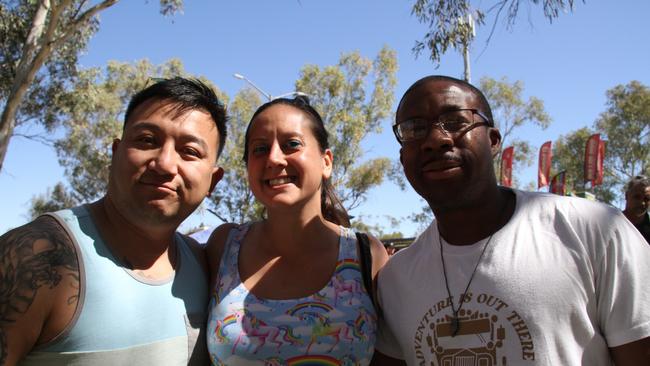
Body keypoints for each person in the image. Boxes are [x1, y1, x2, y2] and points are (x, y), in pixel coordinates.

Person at [372, 75, 650, 365]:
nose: (435, 139)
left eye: (455, 121)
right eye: (414, 128)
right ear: (403, 158)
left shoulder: (594, 230)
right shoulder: (396, 279)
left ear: (493, 141)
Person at [0, 77, 227, 365]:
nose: (165, 164)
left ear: (213, 180)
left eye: (190, 152)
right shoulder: (37, 256)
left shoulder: (203, 265)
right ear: (115, 152)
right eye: (147, 140)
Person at [206, 96, 388, 365]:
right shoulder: (224, 246)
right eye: (259, 149)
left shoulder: (366, 255)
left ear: (326, 162)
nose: (274, 159)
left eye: (292, 144)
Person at [622, 175, 650, 243]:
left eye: (646, 199)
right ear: (626, 195)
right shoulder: (612, 223)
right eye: (637, 197)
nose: (642, 203)